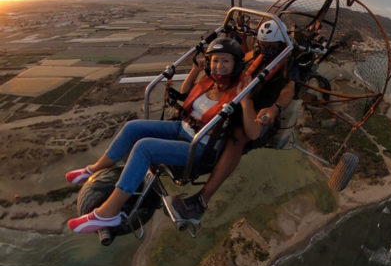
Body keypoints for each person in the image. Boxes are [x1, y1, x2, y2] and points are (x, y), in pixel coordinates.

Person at [66, 38, 261, 235]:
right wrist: (195, 71)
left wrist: (245, 102)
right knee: (132, 127)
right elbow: (186, 94)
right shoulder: (209, 81)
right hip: (181, 129)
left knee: (144, 147)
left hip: (197, 147)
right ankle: (96, 169)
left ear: (235, 64)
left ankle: (108, 212)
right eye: (215, 60)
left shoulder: (239, 92)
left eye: (225, 61)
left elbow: (253, 133)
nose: (219, 66)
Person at [170, 19, 298, 225]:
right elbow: (242, 59)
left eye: (271, 47)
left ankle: (202, 200)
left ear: (281, 45)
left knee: (238, 135)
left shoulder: (288, 66)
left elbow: (288, 90)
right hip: (238, 101)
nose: (266, 51)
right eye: (263, 46)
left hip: (260, 112)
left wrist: (275, 109)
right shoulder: (255, 56)